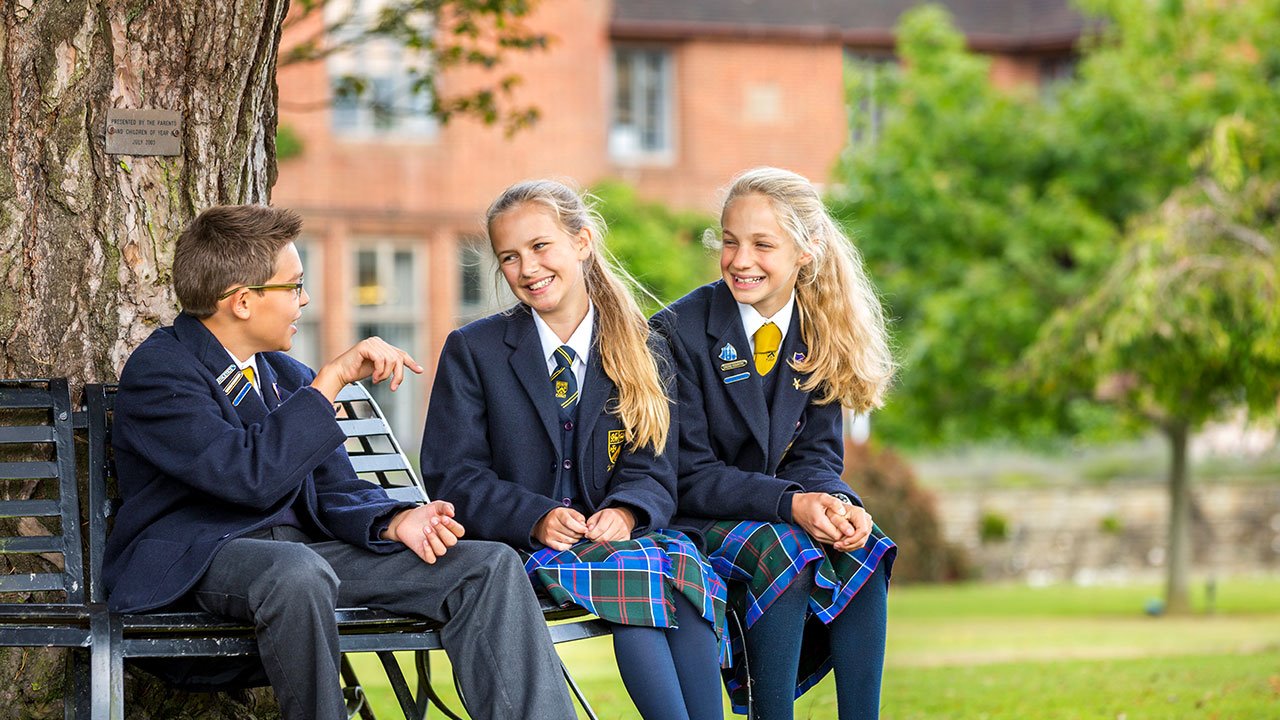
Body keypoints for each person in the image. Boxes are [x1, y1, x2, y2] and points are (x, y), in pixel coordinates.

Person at [103, 204, 575, 720]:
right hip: (200, 557)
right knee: (297, 571)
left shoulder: (281, 372)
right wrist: (328, 384)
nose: (304, 300)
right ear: (242, 302)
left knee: (487, 565)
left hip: (305, 557)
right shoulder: (161, 372)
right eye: (294, 287)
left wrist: (396, 521)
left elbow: (335, 488)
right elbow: (247, 478)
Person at [421, 180, 728, 720]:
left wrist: (627, 510)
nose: (527, 268)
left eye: (541, 247)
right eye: (510, 257)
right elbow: (454, 476)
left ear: (582, 242)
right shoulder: (475, 351)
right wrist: (535, 517)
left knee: (685, 571)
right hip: (521, 549)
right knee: (641, 579)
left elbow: (654, 465)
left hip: (615, 541)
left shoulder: (644, 346)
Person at [652, 167, 898, 719]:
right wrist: (793, 503)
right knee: (783, 548)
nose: (741, 260)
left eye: (763, 244)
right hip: (691, 516)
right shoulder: (677, 333)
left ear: (806, 251)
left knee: (864, 546)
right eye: (731, 241)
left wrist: (838, 504)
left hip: (771, 513)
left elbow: (816, 457)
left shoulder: (820, 330)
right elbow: (687, 474)